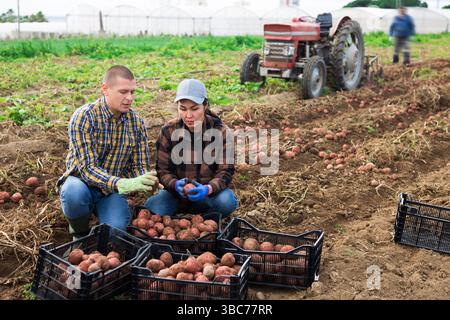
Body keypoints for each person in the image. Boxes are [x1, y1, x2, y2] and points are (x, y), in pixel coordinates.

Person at [57, 65, 159, 240]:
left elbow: (139, 165)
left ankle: (104, 225)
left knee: (116, 231)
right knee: (73, 193)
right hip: (83, 184)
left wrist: (147, 181)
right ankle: (79, 233)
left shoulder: (136, 123)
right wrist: (122, 184)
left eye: (132, 92)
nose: (129, 98)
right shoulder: (84, 117)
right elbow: (87, 169)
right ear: (105, 89)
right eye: (123, 92)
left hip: (110, 193)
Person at [144, 79, 238, 218]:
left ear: (205, 105)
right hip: (176, 196)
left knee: (226, 202)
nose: (188, 116)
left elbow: (225, 171)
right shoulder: (168, 131)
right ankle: (185, 219)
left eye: (194, 109)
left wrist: (208, 189)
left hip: (208, 196)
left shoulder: (221, 132)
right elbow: (162, 170)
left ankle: (203, 221)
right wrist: (175, 184)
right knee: (154, 206)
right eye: (183, 108)